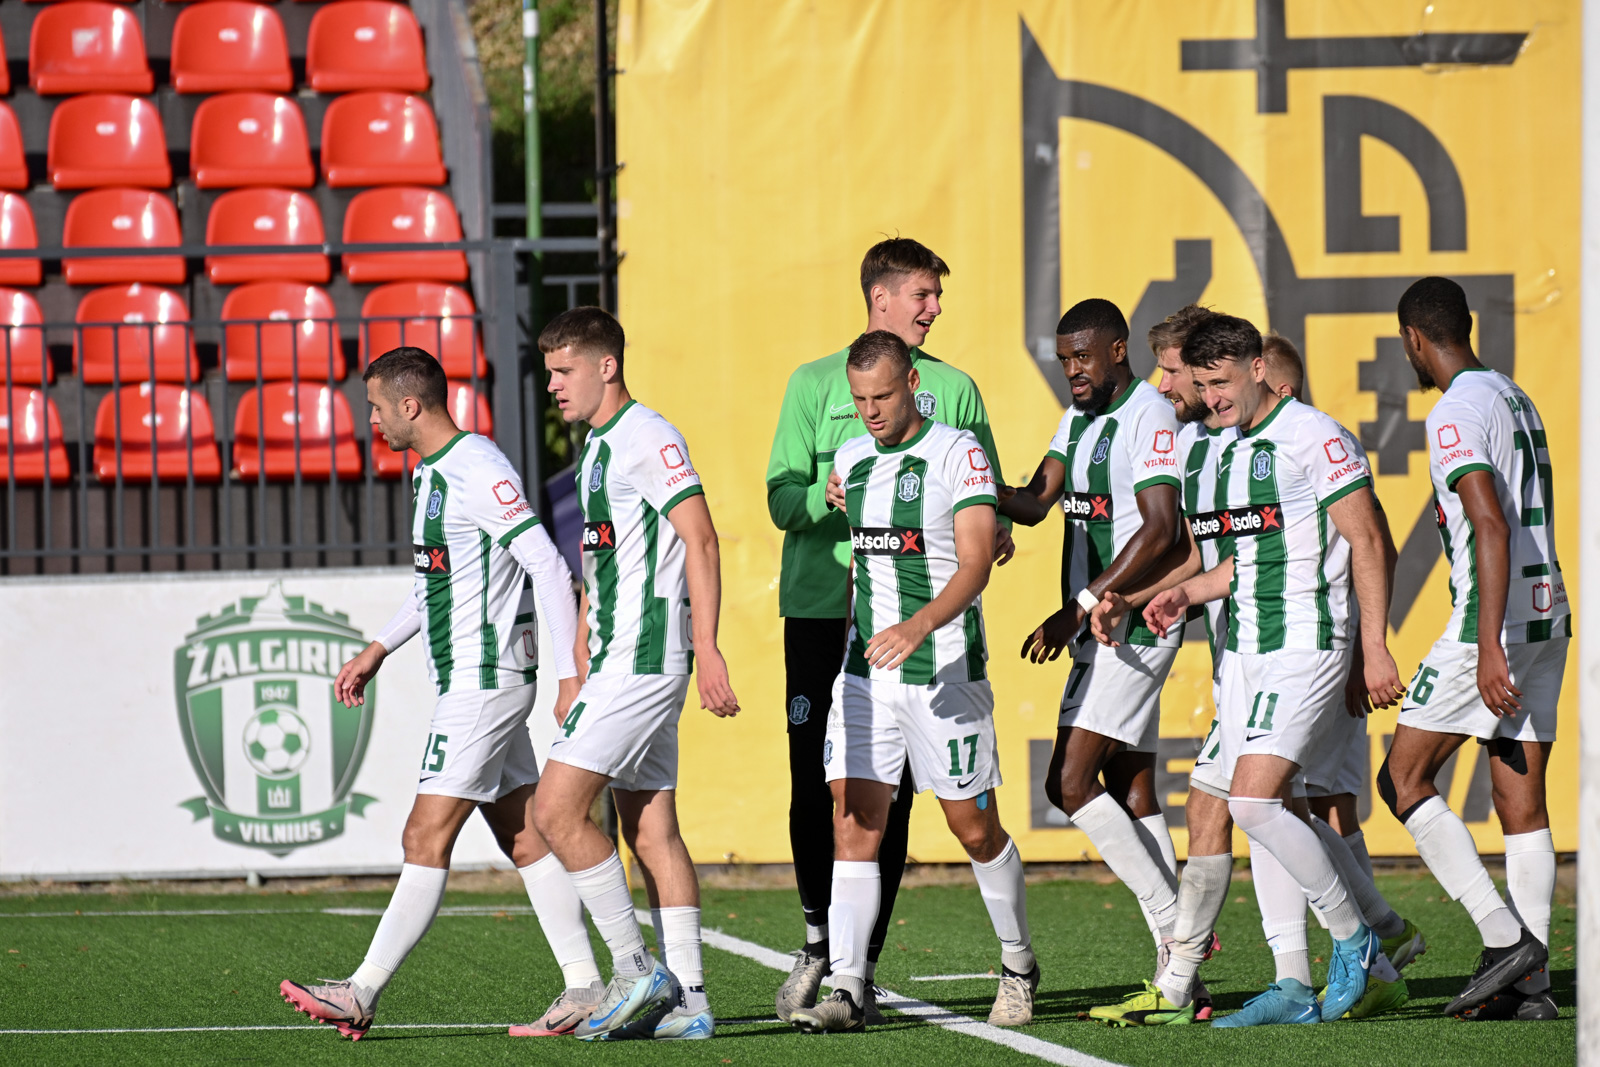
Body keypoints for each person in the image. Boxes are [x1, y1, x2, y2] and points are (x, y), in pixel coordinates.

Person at [279, 346, 597, 1040]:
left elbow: (544, 560)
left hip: (485, 685)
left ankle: (359, 990)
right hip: (470, 682)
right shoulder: (429, 474)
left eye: (376, 407)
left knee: (423, 833)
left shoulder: (477, 468)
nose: (373, 421)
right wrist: (377, 648)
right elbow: (436, 586)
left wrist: (571, 672)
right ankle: (585, 984)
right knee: (524, 834)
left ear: (410, 405)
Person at [765, 237, 1011, 1024]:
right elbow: (780, 499)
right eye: (923, 294)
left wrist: (989, 533)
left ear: (908, 388)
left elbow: (987, 512)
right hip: (826, 614)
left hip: (925, 636)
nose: (935, 307)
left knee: (921, 808)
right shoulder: (814, 386)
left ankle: (866, 965)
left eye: (936, 296)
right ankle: (826, 954)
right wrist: (822, 498)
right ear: (881, 297)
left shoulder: (955, 397)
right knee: (823, 791)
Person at [1140, 313, 1407, 1026]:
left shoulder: (1314, 435)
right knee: (1263, 808)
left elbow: (1369, 539)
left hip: (1309, 642)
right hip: (1246, 654)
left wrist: (1374, 646)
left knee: (1253, 803)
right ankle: (1296, 981)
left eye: (1221, 382)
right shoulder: (1228, 449)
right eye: (1202, 386)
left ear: (1259, 367)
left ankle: (1356, 939)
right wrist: (1183, 591)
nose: (1212, 397)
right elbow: (1247, 560)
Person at [532, 306, 741, 1041]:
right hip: (619, 656)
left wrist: (707, 645)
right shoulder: (594, 448)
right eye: (549, 371)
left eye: (564, 370)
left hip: (648, 657)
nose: (553, 384)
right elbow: (602, 559)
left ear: (606, 366)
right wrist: (580, 650)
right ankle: (690, 1002)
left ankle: (632, 967)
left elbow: (702, 536)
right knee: (651, 830)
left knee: (553, 812)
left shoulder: (648, 435)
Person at [1378, 277, 1563, 1021]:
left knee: (1402, 778)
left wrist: (1486, 646)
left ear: (1414, 340)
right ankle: (1533, 988)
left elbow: (1489, 523)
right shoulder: (1512, 394)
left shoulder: (1454, 409)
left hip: (1496, 625)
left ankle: (1503, 939)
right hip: (1548, 616)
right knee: (1520, 804)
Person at [998, 299, 1188, 992]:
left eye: (1082, 357)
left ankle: (1176, 927)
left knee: (1068, 782)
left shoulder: (1150, 416)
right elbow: (1035, 499)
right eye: (1063, 360)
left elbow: (1162, 528)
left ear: (1116, 349)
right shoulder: (1075, 419)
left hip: (1127, 624)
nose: (1072, 371)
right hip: (1097, 624)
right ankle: (1181, 964)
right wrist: (967, 482)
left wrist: (1076, 607)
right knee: (1130, 784)